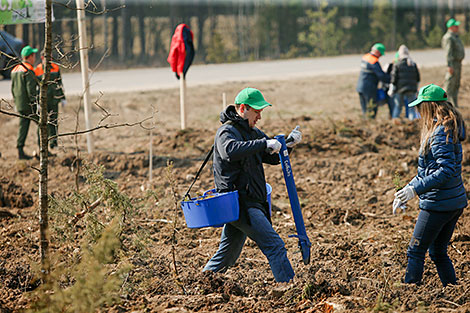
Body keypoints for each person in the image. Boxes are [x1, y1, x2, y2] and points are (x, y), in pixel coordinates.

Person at [203, 87, 302, 282]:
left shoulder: (253, 132)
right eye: (256, 111)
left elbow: (271, 157)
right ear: (242, 108)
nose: (259, 116)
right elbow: (229, 151)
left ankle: (202, 281)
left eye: (260, 112)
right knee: (275, 246)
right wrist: (264, 143)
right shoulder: (226, 132)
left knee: (227, 255)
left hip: (250, 201)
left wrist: (287, 146)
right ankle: (290, 288)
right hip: (240, 203)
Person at [393, 84, 467, 287]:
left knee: (415, 251)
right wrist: (406, 189)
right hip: (453, 202)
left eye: (419, 107)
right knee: (437, 251)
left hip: (438, 204)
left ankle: (409, 293)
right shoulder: (446, 129)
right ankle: (452, 289)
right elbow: (427, 171)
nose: (417, 112)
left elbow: (445, 171)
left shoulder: (439, 134)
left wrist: (415, 190)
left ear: (429, 107)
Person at [11, 45, 39, 160]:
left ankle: (20, 150)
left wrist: (16, 102)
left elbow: (13, 88)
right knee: (42, 124)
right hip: (29, 105)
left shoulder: (15, 69)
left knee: (23, 126)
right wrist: (35, 104)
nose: (34, 57)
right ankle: (42, 148)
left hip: (20, 104)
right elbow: (30, 89)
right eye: (33, 55)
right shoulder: (29, 69)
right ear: (30, 57)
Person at [35, 51, 66, 149]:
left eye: (51, 58)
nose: (50, 60)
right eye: (47, 58)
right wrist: (37, 102)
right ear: (42, 58)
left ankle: (54, 141)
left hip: (54, 99)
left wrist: (63, 97)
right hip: (44, 101)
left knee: (54, 121)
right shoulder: (38, 70)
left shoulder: (55, 68)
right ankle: (44, 142)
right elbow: (36, 88)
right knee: (44, 122)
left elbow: (59, 84)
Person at [356, 43, 391, 119]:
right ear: (377, 52)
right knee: (372, 108)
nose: (380, 56)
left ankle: (366, 123)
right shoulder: (373, 62)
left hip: (360, 88)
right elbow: (381, 76)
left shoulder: (365, 57)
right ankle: (370, 123)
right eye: (380, 54)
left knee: (364, 110)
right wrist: (391, 79)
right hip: (369, 89)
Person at [388, 45, 420, 121]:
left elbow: (394, 78)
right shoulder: (413, 64)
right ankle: (412, 122)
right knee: (411, 107)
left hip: (400, 89)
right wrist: (416, 88)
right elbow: (418, 78)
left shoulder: (397, 64)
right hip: (412, 89)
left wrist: (391, 89)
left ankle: (395, 121)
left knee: (398, 106)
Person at [442, 18, 465, 107]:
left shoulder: (455, 36)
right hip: (453, 64)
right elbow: (448, 52)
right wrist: (449, 65)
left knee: (456, 84)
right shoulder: (448, 38)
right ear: (451, 27)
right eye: (455, 26)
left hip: (458, 64)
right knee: (449, 84)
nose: (457, 27)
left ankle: (455, 104)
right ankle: (445, 104)